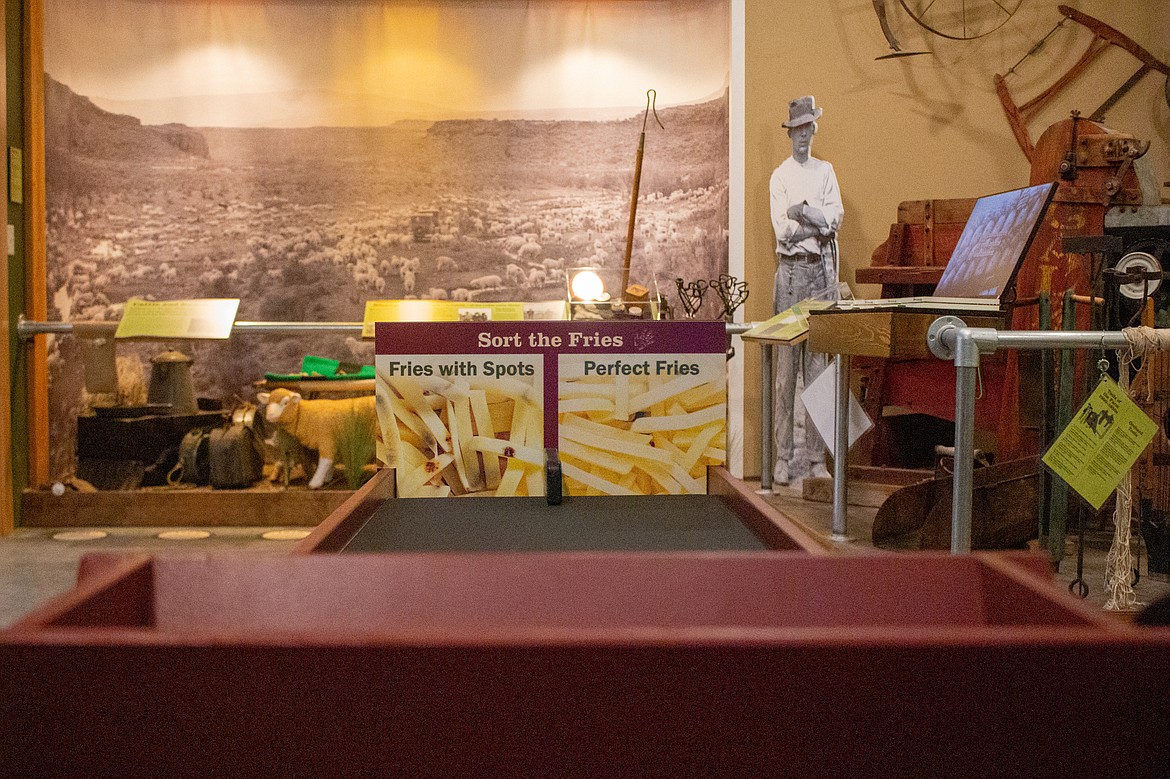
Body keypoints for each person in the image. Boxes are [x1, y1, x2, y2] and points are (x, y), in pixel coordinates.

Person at [769, 95, 844, 488]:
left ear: (814, 128)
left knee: (819, 371)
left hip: (820, 276)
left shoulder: (825, 171)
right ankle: (783, 457)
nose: (802, 135)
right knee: (786, 373)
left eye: (807, 128)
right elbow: (783, 231)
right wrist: (817, 223)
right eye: (796, 129)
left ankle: (816, 459)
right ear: (790, 133)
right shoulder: (780, 176)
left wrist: (806, 215)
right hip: (791, 275)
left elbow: (836, 218)